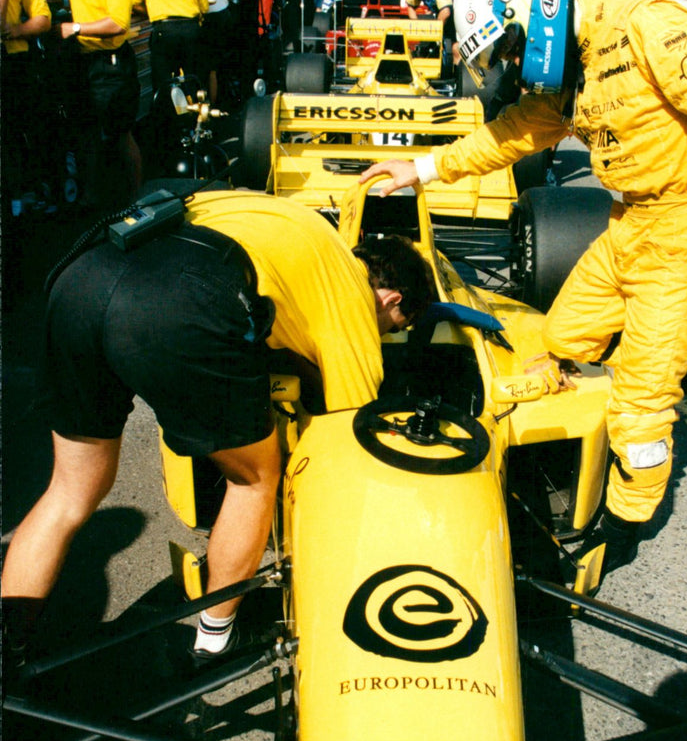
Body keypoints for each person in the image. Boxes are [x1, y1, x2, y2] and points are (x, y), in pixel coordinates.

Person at [362, 0, 687, 589]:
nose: (508, 67)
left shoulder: (650, 26)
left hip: (683, 233)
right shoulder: (575, 69)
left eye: (505, 50)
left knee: (638, 412)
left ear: (535, 13)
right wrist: (420, 170)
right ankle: (668, 355)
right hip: (629, 224)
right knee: (559, 336)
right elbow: (511, 135)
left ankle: (622, 526)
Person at [1, 192, 436, 668]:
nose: (385, 335)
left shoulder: (288, 220)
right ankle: (215, 639)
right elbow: (351, 432)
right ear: (392, 299)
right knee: (253, 479)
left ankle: (8, 646)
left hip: (84, 275)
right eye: (394, 326)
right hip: (180, 296)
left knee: (69, 491)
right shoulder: (352, 297)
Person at [51, 0, 142, 206]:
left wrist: (75, 28)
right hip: (83, 62)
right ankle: (92, 198)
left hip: (111, 64)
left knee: (118, 134)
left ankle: (134, 198)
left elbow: (118, 23)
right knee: (87, 132)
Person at [0, 0, 52, 215]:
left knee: (22, 132)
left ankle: (26, 198)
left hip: (15, 64)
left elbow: (43, 18)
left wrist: (17, 30)